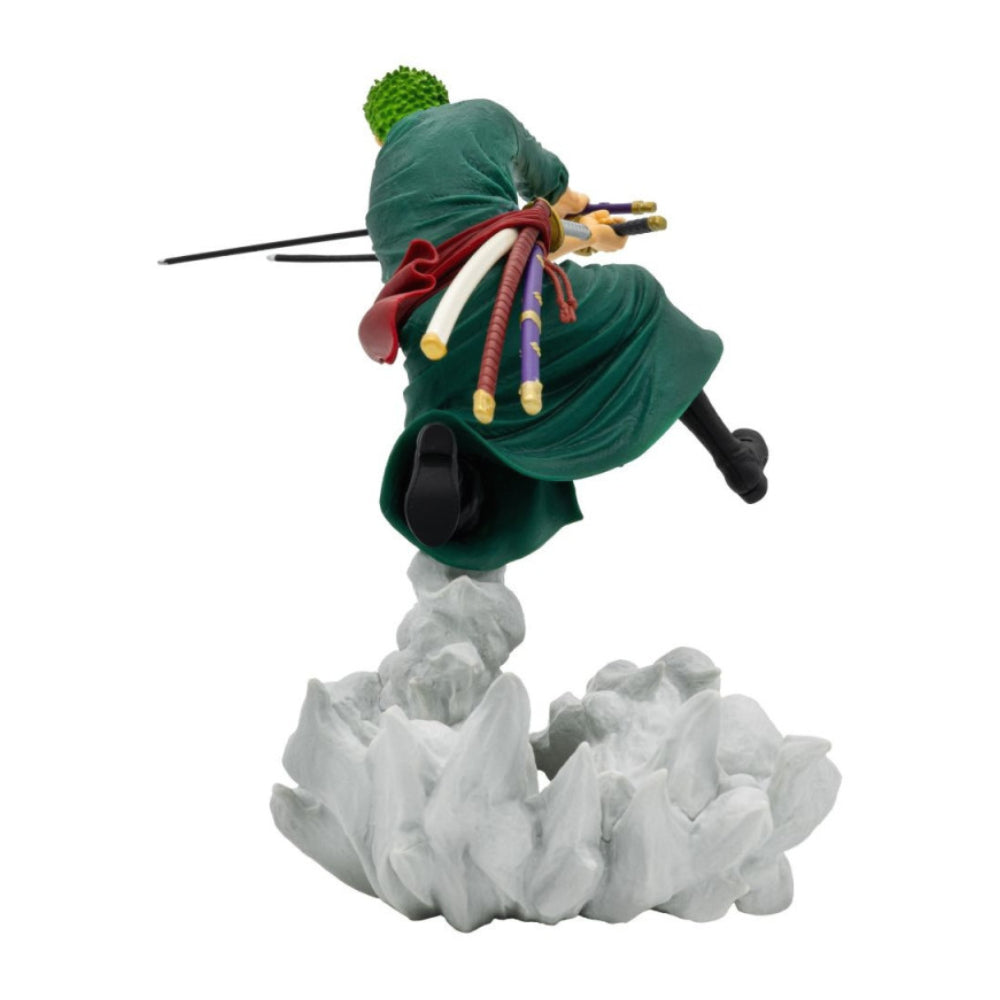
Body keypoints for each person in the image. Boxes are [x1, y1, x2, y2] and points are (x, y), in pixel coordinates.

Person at [361, 67, 767, 572]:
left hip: (436, 356)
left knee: (470, 426)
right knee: (640, 298)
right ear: (442, 100)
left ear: (379, 136)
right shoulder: (483, 116)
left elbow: (488, 243)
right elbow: (554, 195)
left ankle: (459, 493)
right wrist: (590, 227)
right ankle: (736, 460)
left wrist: (561, 232)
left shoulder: (379, 191)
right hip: (514, 312)